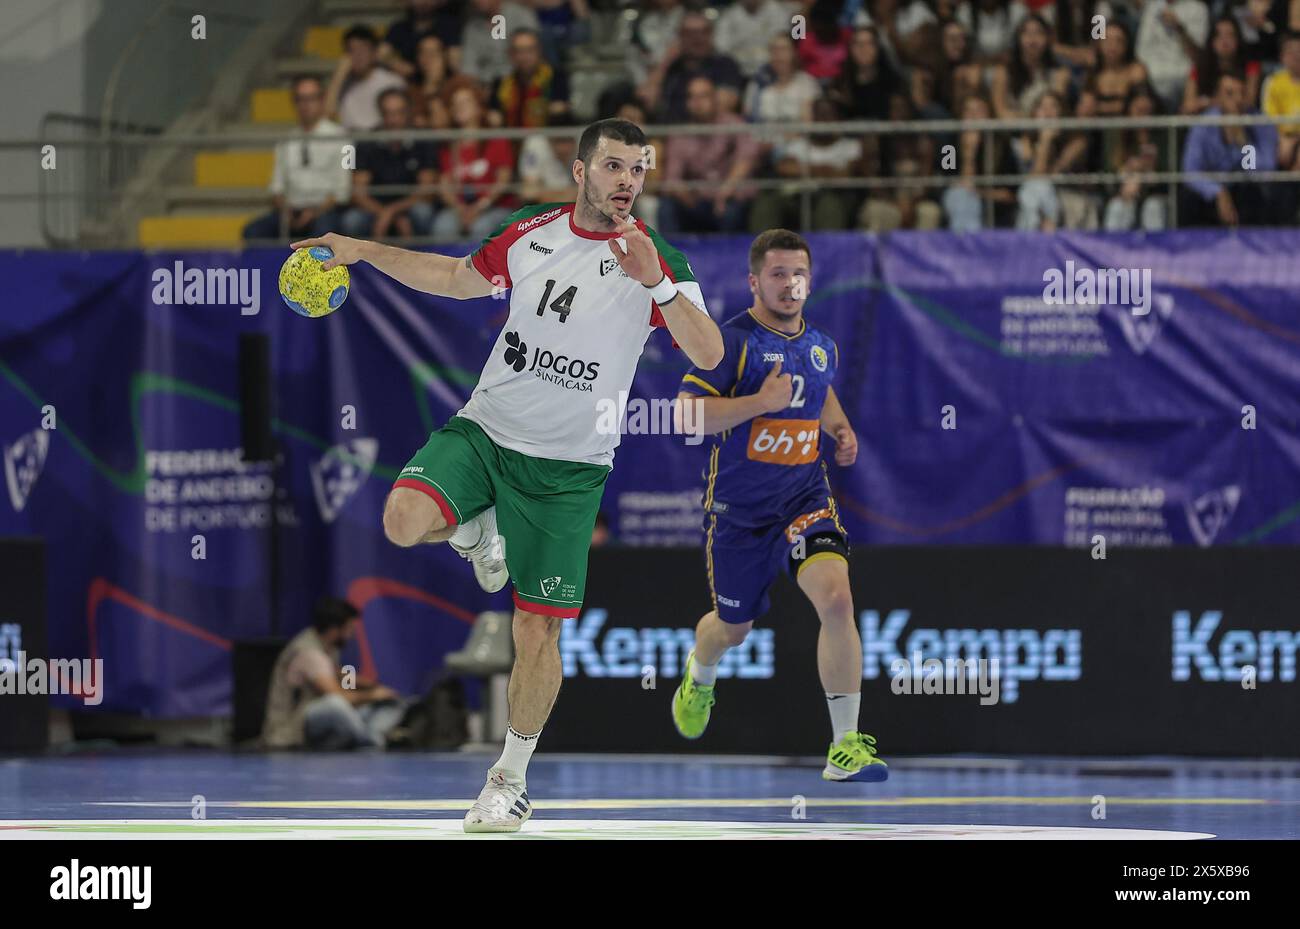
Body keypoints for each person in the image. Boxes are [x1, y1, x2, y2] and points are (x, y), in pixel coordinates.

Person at [290, 119, 723, 832]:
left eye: (638, 170)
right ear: (579, 170)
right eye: (613, 166)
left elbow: (708, 353)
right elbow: (457, 279)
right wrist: (362, 250)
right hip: (488, 430)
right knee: (401, 520)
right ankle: (477, 530)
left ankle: (508, 779)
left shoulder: (656, 256)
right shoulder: (532, 229)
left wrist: (660, 286)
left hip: (568, 471)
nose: (627, 181)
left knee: (535, 633)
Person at [670, 228, 888, 783]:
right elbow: (687, 416)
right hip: (740, 517)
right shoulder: (729, 343)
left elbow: (821, 391)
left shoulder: (821, 345)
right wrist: (760, 403)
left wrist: (838, 428)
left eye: (799, 275)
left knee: (837, 600)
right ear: (753, 281)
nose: (790, 285)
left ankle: (844, 746)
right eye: (777, 274)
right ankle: (701, 671)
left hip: (804, 498)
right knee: (732, 628)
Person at [261, 597, 404, 750]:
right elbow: (337, 695)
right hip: (292, 729)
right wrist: (373, 695)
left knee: (391, 703)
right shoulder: (310, 652)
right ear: (334, 629)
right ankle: (370, 739)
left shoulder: (330, 647)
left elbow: (340, 677)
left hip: (326, 722)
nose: (352, 635)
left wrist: (373, 687)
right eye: (349, 629)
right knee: (336, 704)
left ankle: (369, 734)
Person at [242, 76, 350, 241]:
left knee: (323, 232)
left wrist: (314, 212)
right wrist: (287, 211)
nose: (305, 105)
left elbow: (343, 189)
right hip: (290, 211)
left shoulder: (343, 138)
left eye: (311, 98)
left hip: (326, 211)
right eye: (300, 99)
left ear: (322, 100)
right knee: (252, 232)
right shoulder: (285, 141)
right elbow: (276, 187)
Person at [1180, 70, 1286, 226]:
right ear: (1218, 98)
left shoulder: (1261, 124)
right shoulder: (1203, 126)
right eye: (1230, 93)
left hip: (1246, 188)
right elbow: (1190, 171)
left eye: (1242, 93)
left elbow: (1265, 171)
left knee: (1260, 193)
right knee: (1188, 197)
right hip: (1214, 189)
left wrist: (1243, 143)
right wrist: (1217, 191)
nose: (1237, 99)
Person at [658, 76, 761, 234]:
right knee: (667, 206)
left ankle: (729, 256)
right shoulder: (680, 134)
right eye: (692, 97)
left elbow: (746, 158)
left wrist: (727, 189)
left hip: (730, 196)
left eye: (703, 96)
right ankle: (669, 257)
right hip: (697, 200)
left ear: (715, 98)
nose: (697, 102)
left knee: (732, 211)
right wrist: (682, 192)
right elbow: (672, 177)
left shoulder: (734, 124)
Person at [342, 89, 439, 239]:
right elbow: (358, 194)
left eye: (399, 113)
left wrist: (392, 211)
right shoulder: (367, 142)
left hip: (411, 205)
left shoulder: (424, 140)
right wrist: (384, 213)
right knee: (352, 220)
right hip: (375, 207)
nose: (394, 120)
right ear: (381, 115)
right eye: (388, 113)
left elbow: (427, 191)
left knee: (423, 212)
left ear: (408, 114)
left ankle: (422, 257)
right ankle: (362, 261)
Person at [327, 25, 407, 132]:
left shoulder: (393, 81)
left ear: (374, 53)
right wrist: (339, 76)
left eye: (363, 49)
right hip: (348, 144)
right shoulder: (341, 84)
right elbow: (327, 117)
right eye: (352, 50)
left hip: (381, 143)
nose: (358, 56)